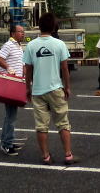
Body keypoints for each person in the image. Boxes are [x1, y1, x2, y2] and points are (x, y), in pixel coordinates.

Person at [24, 12, 76, 165]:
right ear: (53, 27)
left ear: (39, 26)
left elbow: (28, 70)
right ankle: (68, 155)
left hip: (38, 90)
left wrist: (28, 88)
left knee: (41, 126)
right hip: (56, 88)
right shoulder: (59, 44)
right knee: (63, 123)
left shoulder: (31, 45)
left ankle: (46, 156)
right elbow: (65, 69)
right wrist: (67, 87)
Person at [0, 24, 25, 156]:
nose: (23, 34)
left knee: (11, 115)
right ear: (13, 33)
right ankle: (6, 144)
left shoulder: (18, 46)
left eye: (23, 32)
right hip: (10, 84)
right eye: (20, 31)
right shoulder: (8, 45)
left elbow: (21, 64)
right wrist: (8, 68)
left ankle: (8, 141)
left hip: (17, 83)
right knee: (11, 116)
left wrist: (25, 77)